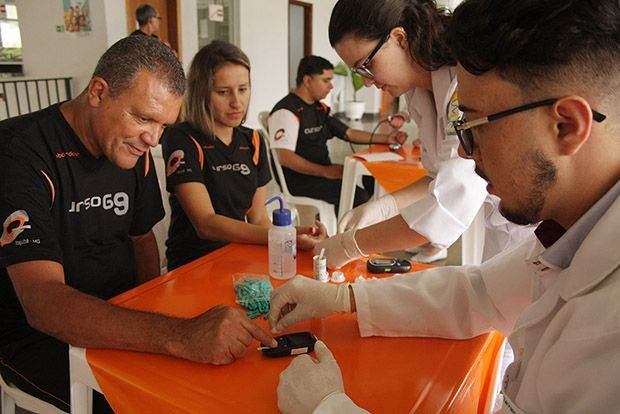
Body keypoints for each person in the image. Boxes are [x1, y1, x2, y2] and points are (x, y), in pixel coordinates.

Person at [269, 0, 620, 412]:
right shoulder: (572, 238)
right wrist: (340, 298)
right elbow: (476, 293)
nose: (466, 155)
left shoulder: (605, 331)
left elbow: (450, 195)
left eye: (474, 129)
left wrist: (327, 408)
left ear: (566, 126)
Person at [0, 36, 277, 413]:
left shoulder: (135, 150)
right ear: (98, 92)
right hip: (37, 336)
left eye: (163, 125)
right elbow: (43, 304)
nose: (153, 139)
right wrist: (179, 335)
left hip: (123, 312)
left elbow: (141, 238)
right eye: (144, 118)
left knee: (232, 378)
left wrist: (158, 312)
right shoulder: (21, 152)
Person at [316, 0, 533, 265]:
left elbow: (451, 198)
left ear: (399, 39)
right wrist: (384, 206)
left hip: (531, 221)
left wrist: (352, 245)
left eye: (366, 66)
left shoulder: (464, 82)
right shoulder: (418, 93)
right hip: (504, 226)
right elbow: (438, 177)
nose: (367, 81)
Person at [162, 41, 327, 270]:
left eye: (243, 89)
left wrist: (298, 233)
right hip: (193, 265)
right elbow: (206, 224)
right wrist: (283, 236)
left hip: (240, 257)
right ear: (201, 93)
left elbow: (258, 218)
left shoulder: (253, 141)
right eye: (223, 92)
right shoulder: (182, 138)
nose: (236, 102)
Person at [268, 55, 407, 216]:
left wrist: (387, 138)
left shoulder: (320, 108)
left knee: (371, 178)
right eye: (326, 80)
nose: (331, 86)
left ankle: (337, 219)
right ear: (307, 80)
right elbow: (284, 157)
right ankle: (343, 228)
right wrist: (325, 171)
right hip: (299, 180)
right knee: (358, 196)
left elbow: (349, 133)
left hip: (320, 172)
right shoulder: (287, 111)